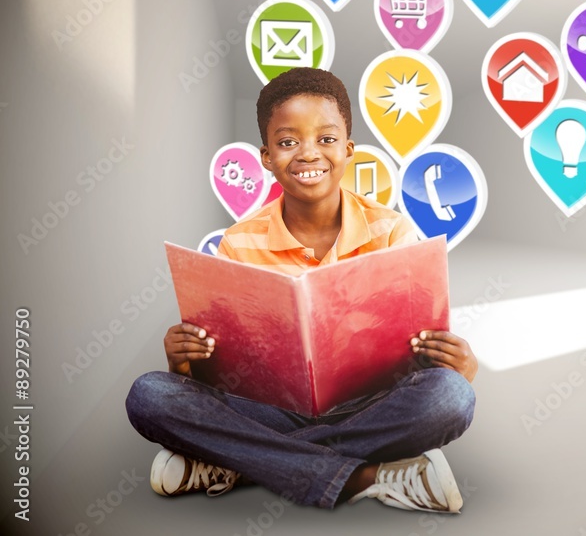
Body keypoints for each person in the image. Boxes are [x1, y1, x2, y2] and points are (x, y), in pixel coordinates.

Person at [125, 67, 477, 514]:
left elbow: (423, 351)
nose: (308, 154)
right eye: (288, 142)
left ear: (348, 151)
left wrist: (461, 365)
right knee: (150, 395)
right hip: (270, 410)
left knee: (450, 397)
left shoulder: (393, 232)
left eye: (326, 140)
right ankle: (369, 477)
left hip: (370, 406)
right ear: (267, 157)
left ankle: (234, 461)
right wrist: (183, 362)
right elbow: (222, 371)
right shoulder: (238, 242)